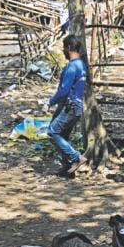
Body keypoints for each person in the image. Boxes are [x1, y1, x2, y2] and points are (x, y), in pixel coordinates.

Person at [43, 34, 87, 177]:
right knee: (63, 135)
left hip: (70, 106)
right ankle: (68, 167)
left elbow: (63, 90)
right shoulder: (82, 65)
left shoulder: (72, 66)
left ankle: (76, 157)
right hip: (77, 106)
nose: (62, 51)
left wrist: (50, 102)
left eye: (63, 48)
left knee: (53, 132)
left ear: (68, 48)